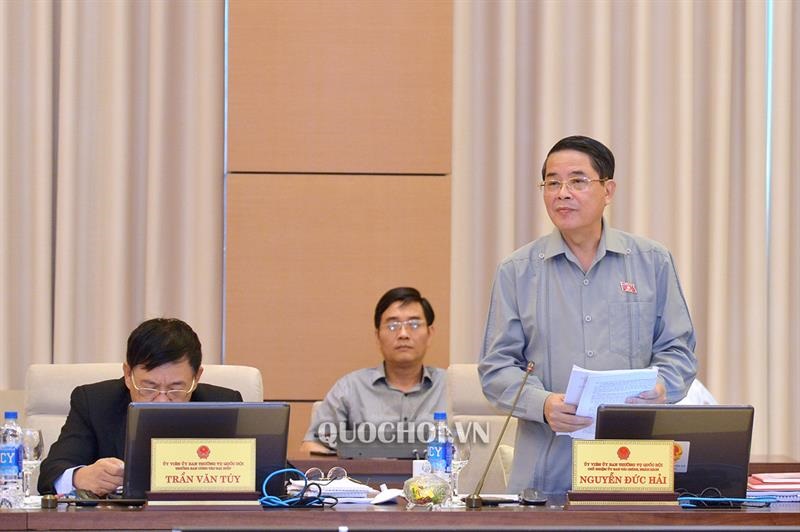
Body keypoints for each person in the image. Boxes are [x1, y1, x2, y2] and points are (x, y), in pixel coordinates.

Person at [478, 135, 697, 494]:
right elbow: (496, 368)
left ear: (608, 190)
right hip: (546, 470)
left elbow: (679, 351)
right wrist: (543, 404)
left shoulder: (651, 261)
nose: (562, 193)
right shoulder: (517, 271)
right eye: (552, 183)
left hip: (633, 466)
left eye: (577, 181)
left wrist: (662, 387)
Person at [38, 318, 243, 496]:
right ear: (128, 374)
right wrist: (79, 477)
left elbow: (250, 477)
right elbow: (52, 473)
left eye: (175, 389)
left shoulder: (224, 404)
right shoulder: (94, 402)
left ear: (196, 377)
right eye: (149, 387)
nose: (162, 400)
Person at [301, 287, 446, 453]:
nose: (403, 334)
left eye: (414, 324)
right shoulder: (350, 388)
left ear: (430, 334)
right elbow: (311, 446)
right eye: (393, 325)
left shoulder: (450, 388)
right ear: (378, 336)